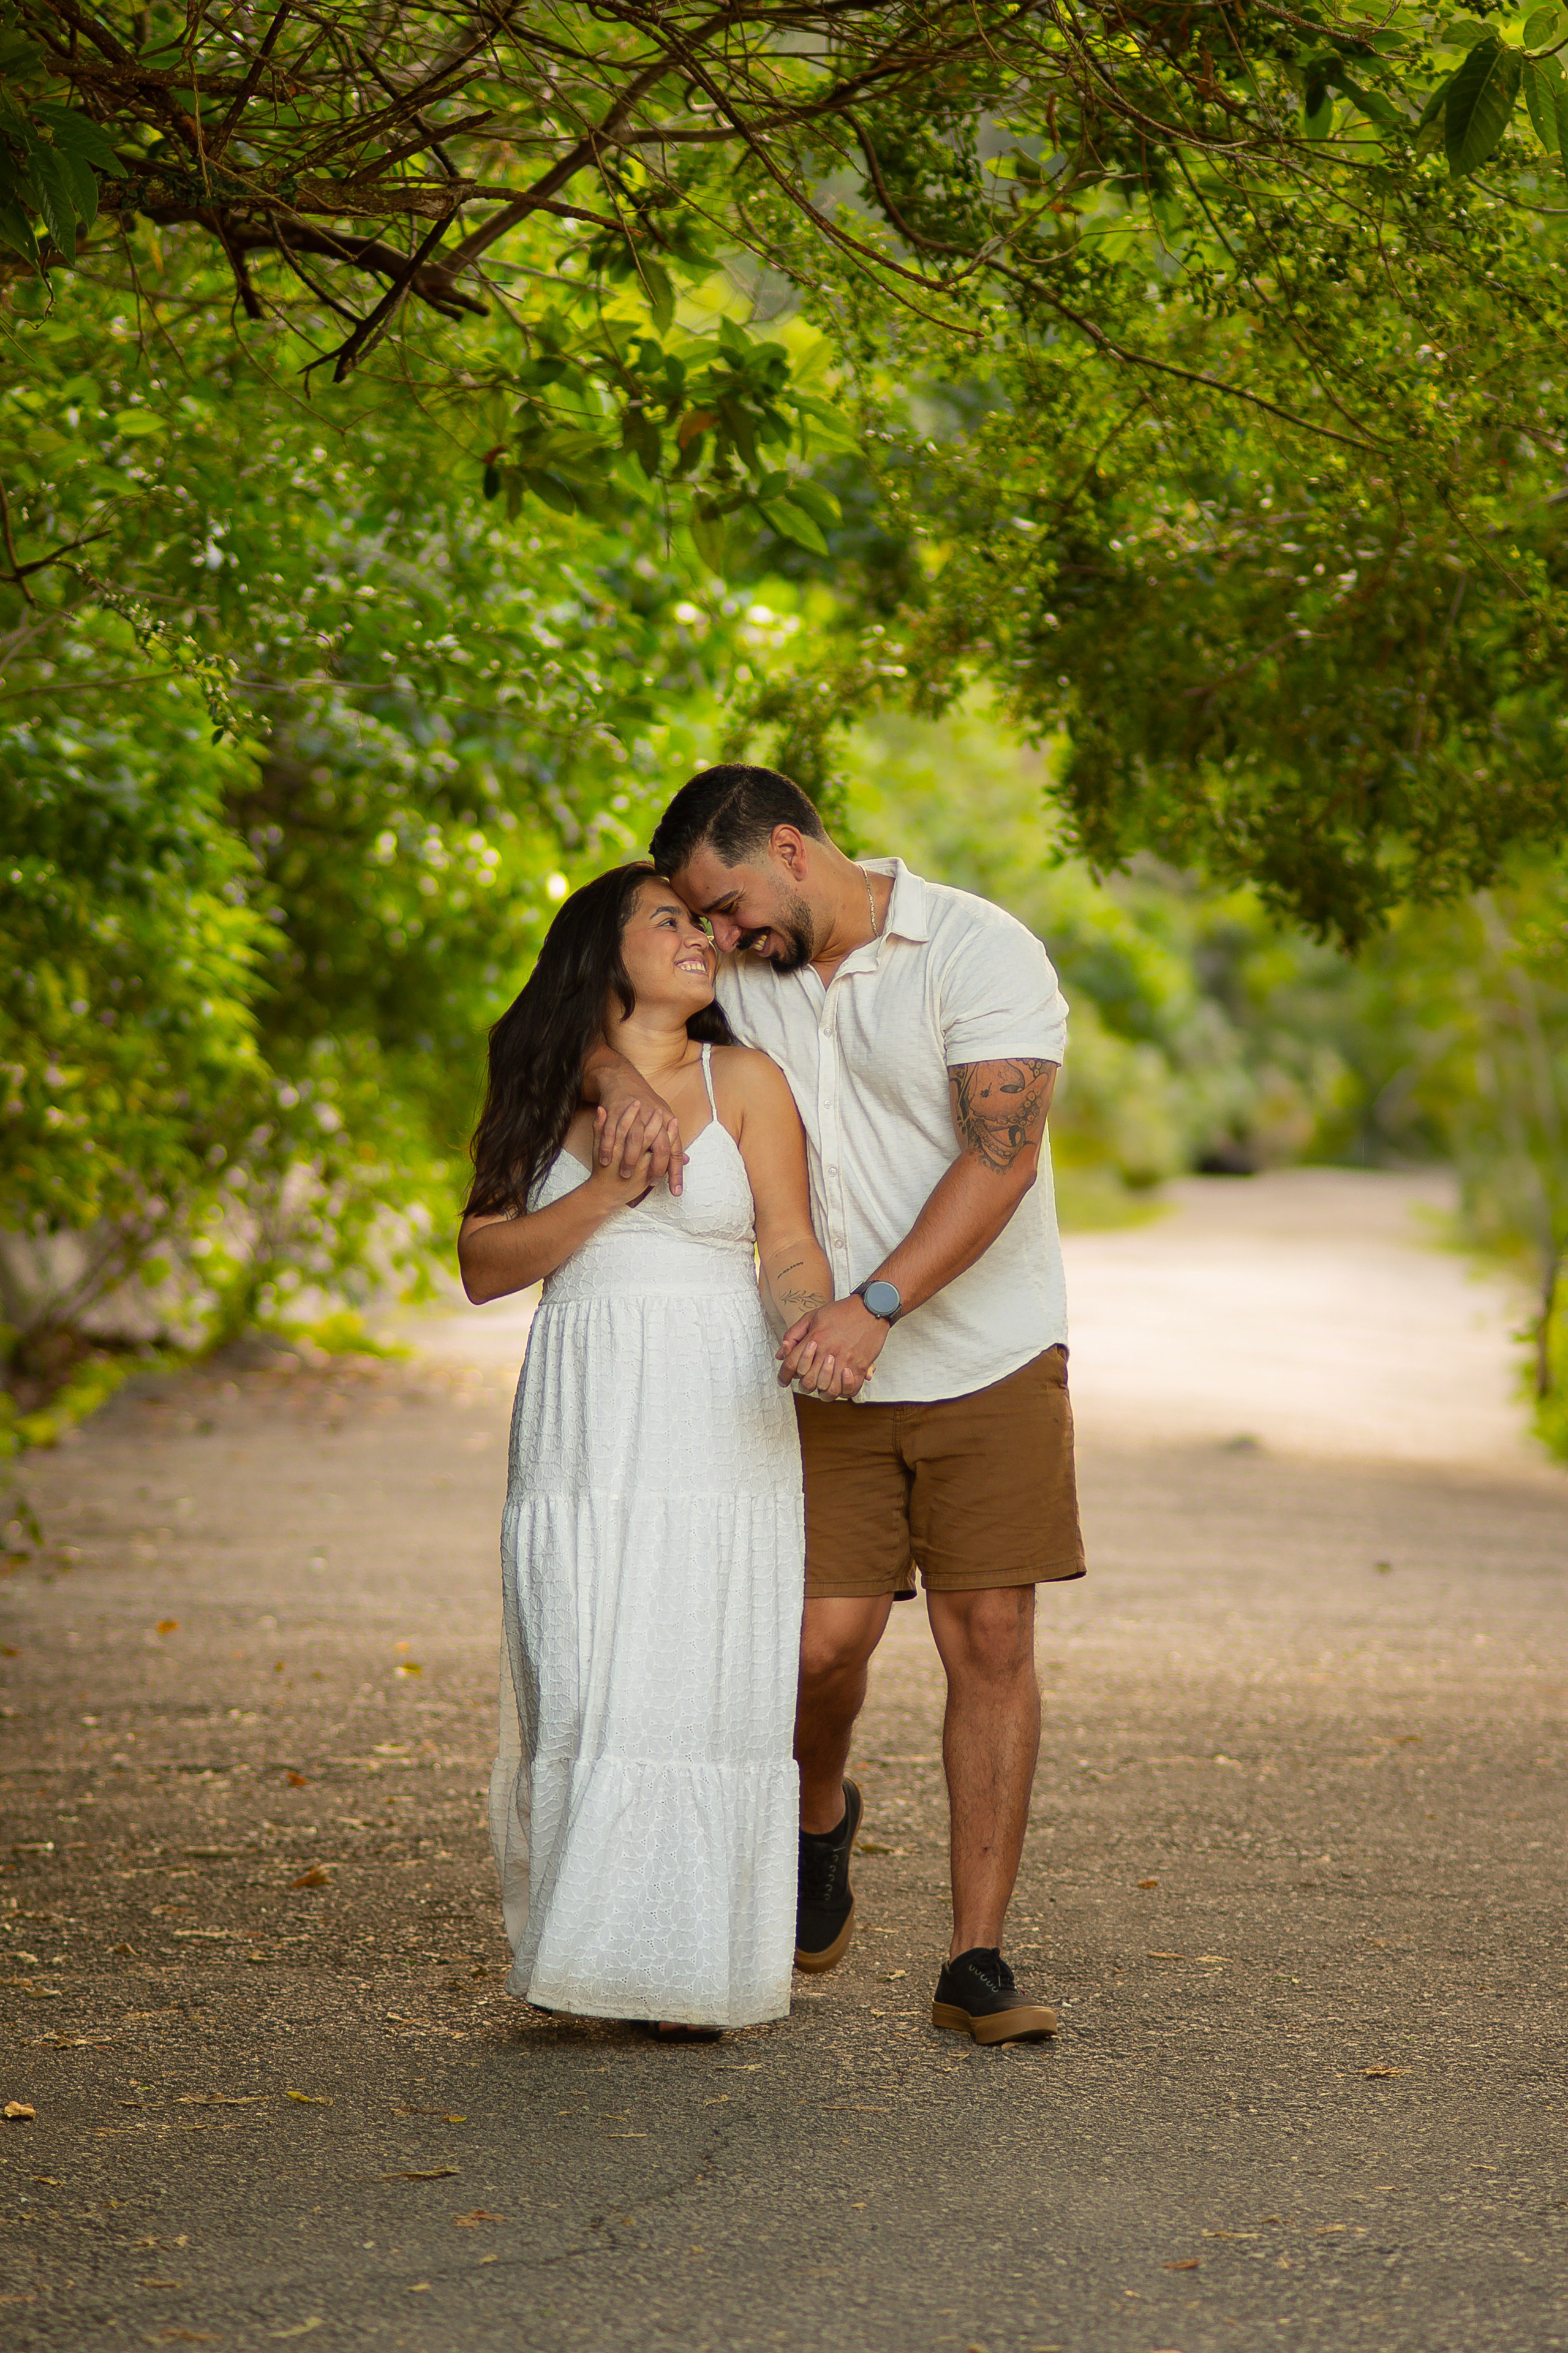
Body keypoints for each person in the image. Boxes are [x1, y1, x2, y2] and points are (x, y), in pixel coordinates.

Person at [586, 767, 1085, 2047]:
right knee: (817, 1644)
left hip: (982, 1356)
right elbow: (590, 995)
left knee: (989, 1638)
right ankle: (819, 1809)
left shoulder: (976, 948)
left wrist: (875, 1303)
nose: (721, 935)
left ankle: (973, 1954)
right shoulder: (741, 973)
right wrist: (613, 1077)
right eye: (700, 918)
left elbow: (1002, 1154)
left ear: (792, 849)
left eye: (729, 903)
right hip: (814, 1368)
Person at [459, 863, 835, 2037]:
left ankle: (687, 1974)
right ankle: (590, 1957)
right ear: (600, 949)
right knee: (582, 1675)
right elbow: (482, 1263)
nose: (698, 937)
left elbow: (787, 1245)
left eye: (701, 921)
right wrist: (609, 1196)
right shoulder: (540, 1079)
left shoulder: (750, 1079)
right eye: (666, 919)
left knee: (698, 1679)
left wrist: (811, 1330)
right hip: (583, 1413)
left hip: (714, 1407)